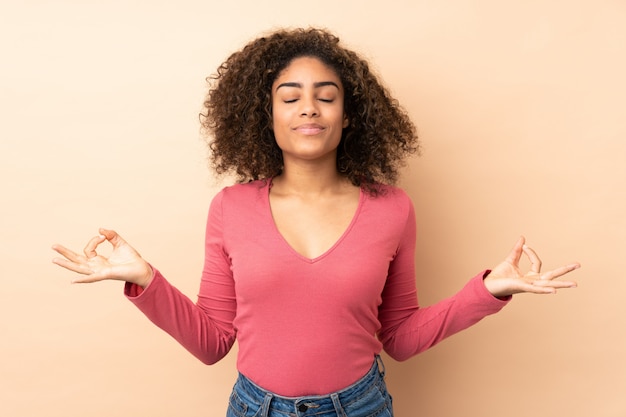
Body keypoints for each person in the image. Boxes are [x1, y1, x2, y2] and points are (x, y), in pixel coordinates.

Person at [51, 28, 580, 417]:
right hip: (255, 408)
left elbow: (399, 336)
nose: (310, 109)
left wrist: (489, 290)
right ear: (268, 116)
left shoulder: (392, 208)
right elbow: (213, 342)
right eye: (291, 98)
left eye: (326, 97)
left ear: (348, 117)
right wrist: (145, 280)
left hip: (361, 407)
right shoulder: (231, 208)